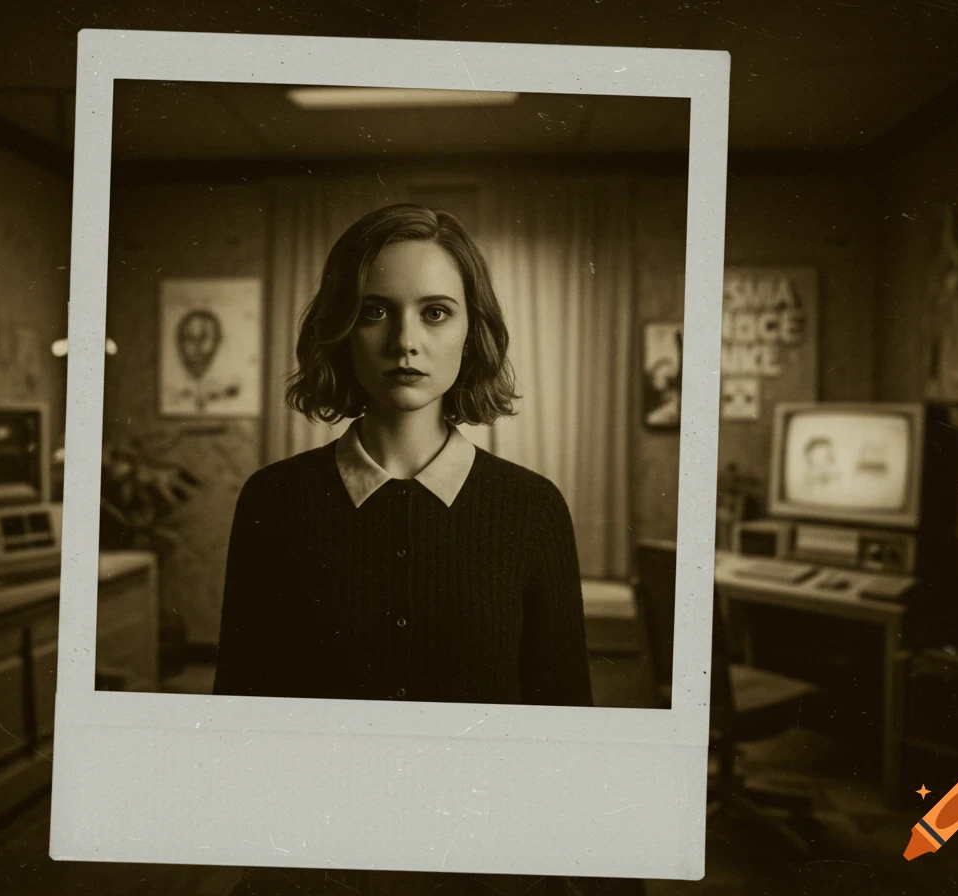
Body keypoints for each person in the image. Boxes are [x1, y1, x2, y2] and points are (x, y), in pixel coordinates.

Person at [215, 203, 642, 896]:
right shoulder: (275, 501)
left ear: (472, 333)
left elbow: (563, 722)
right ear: (342, 329)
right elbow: (241, 715)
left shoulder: (533, 508)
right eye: (376, 311)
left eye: (436, 312)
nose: (405, 341)